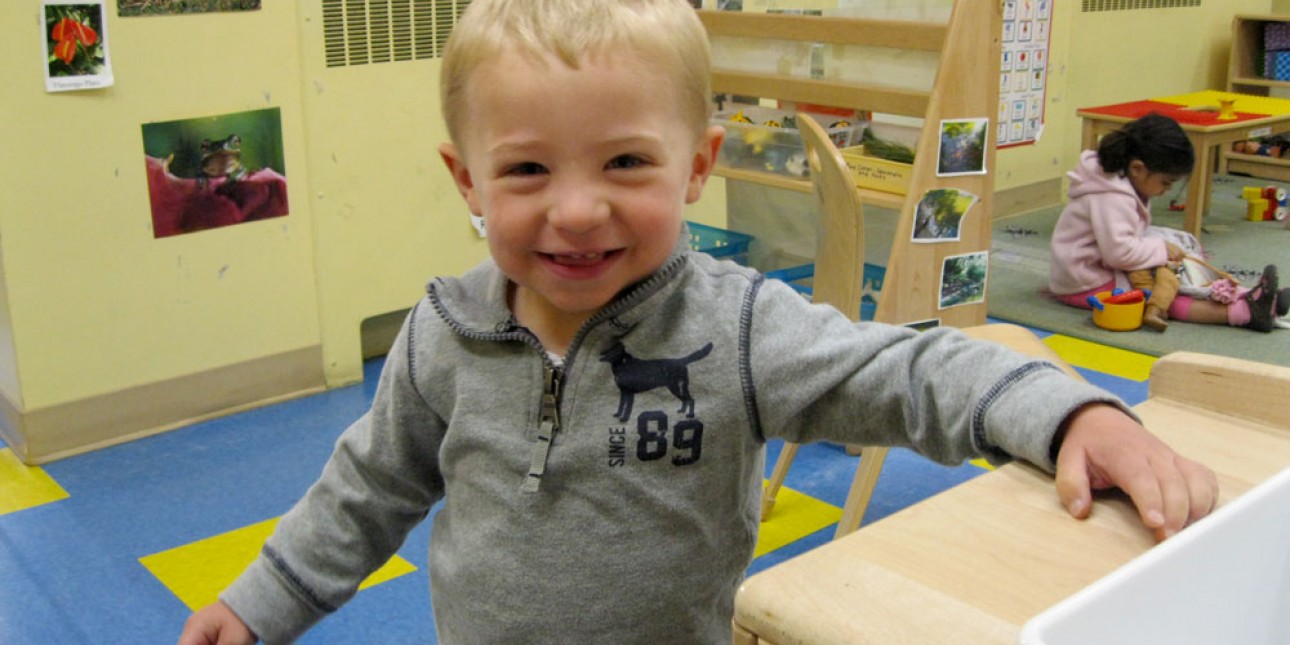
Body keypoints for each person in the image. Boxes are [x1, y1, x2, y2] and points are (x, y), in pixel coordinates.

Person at [177, 3, 1219, 643]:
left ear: (699, 166)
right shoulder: (443, 333)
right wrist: (263, 602)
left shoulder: (743, 328)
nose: (578, 209)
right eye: (529, 169)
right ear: (469, 182)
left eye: (626, 162)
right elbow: (369, 488)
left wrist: (1078, 416)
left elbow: (913, 373)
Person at [1050, 113, 1285, 332]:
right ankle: (1243, 312)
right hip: (1086, 282)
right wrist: (1161, 249)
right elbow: (1119, 253)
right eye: (1166, 183)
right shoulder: (1111, 197)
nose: (1167, 190)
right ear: (1138, 168)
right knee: (1166, 293)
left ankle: (1254, 297)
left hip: (1100, 265)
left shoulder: (1122, 178)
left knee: (1176, 266)